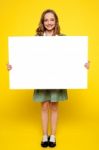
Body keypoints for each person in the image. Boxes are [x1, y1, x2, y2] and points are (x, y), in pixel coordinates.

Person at [7, 9, 90, 148]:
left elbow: (72, 58)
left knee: (54, 106)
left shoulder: (63, 38)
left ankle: (53, 136)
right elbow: (27, 58)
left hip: (58, 78)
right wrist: (14, 66)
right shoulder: (36, 39)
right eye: (46, 20)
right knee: (44, 106)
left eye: (52, 19)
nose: (49, 22)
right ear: (42, 22)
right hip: (41, 78)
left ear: (56, 21)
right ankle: (44, 135)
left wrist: (83, 65)